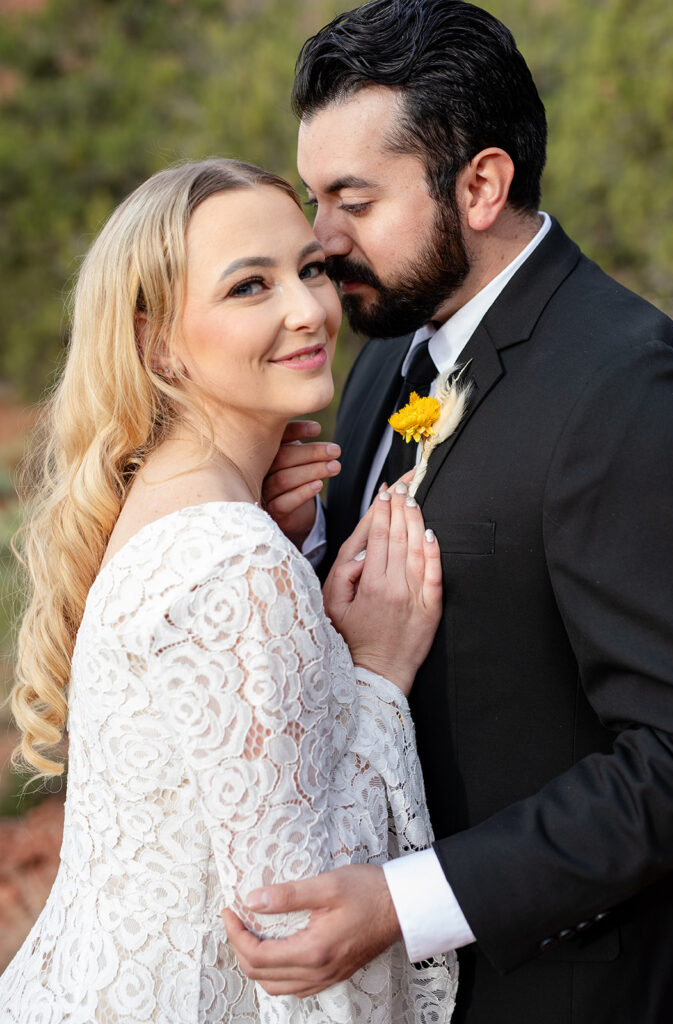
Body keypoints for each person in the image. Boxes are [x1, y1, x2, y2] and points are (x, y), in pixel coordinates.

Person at [221, 3, 673, 1023]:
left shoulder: (625, 390)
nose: (319, 240)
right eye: (312, 197)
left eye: (352, 199)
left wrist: (406, 901)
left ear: (478, 184)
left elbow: (671, 758)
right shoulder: (389, 345)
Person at [0, 158, 458, 1022]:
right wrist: (377, 674)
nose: (308, 310)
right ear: (155, 341)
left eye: (309, 269)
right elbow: (295, 926)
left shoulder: (175, 511)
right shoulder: (233, 562)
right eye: (250, 286)